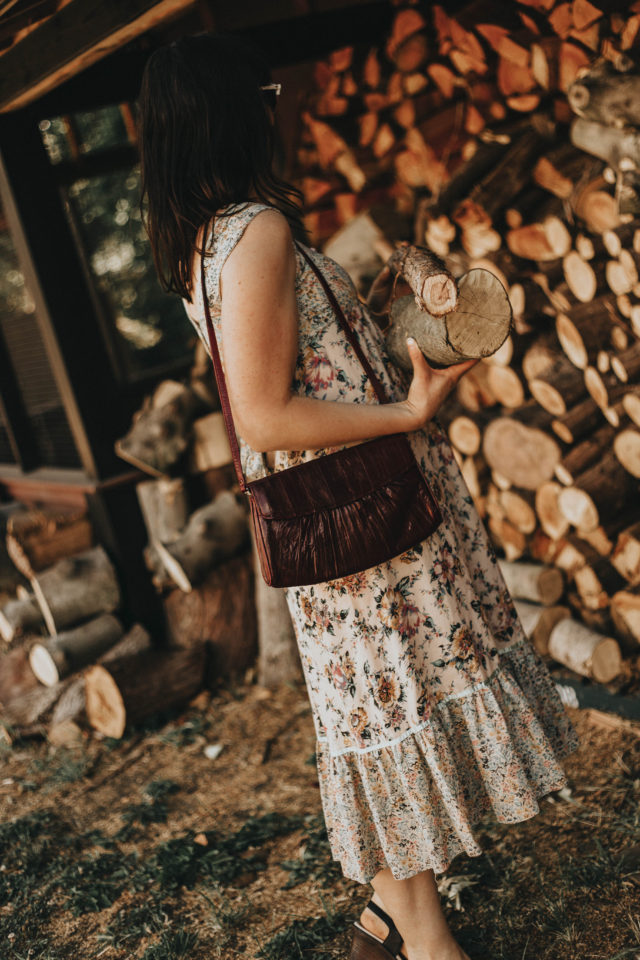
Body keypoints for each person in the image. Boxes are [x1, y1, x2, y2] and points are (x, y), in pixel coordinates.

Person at [137, 31, 580, 960]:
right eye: (265, 91)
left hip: (349, 519)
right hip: (363, 520)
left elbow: (310, 360)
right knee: (400, 705)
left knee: (391, 714)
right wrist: (408, 411)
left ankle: (390, 913)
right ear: (233, 113)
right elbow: (262, 415)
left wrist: (381, 303)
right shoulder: (253, 230)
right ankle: (422, 940)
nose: (279, 109)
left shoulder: (207, 239)